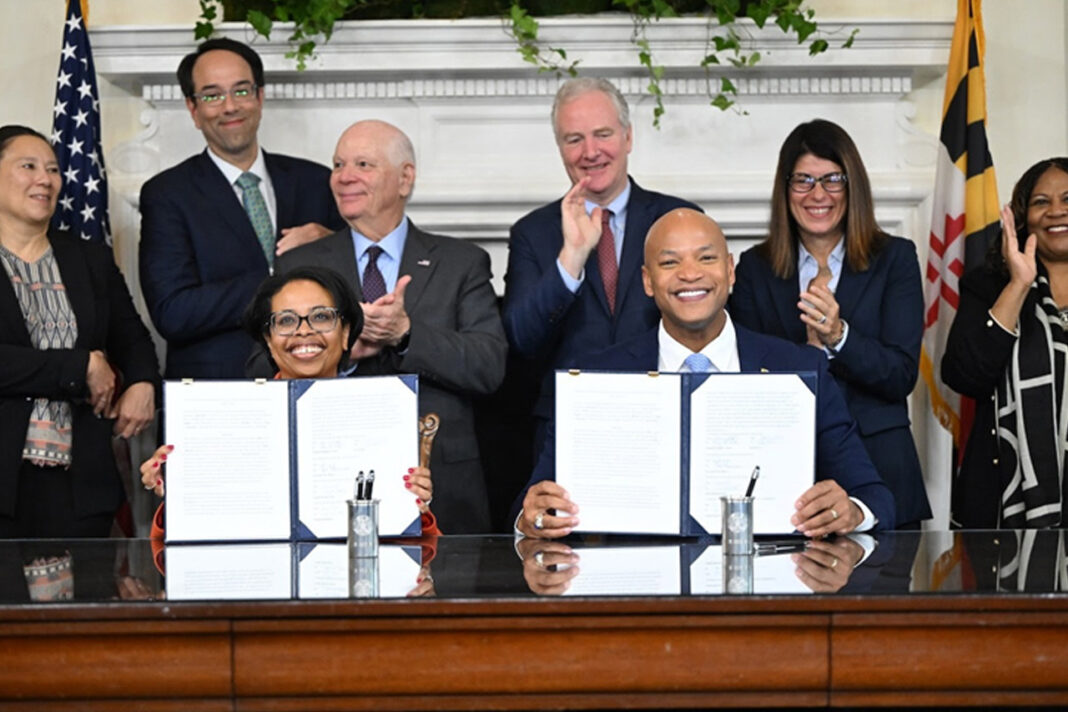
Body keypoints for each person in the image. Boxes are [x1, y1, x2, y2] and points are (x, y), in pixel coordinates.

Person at [516, 208, 896, 539]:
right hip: (636, 595)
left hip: (770, 591)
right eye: (670, 263)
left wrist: (852, 511)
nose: (690, 274)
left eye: (706, 258)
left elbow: (875, 497)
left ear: (730, 271)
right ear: (648, 281)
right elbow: (531, 506)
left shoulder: (799, 369)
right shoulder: (597, 378)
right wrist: (531, 516)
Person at [265, 120, 507, 534]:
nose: (344, 176)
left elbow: (489, 366)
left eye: (363, 163)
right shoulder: (299, 267)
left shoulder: (460, 262)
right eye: (338, 164)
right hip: (327, 481)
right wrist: (338, 354)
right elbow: (257, 367)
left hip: (441, 487)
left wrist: (406, 335)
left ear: (405, 178)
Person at [729, 119, 928, 528]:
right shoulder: (754, 268)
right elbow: (746, 378)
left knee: (888, 592)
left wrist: (839, 337)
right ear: (784, 190)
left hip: (881, 471)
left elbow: (901, 375)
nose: (817, 194)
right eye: (803, 180)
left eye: (832, 180)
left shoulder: (896, 258)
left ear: (852, 185)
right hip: (783, 470)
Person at [141, 266, 439, 535]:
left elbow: (415, 554)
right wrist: (179, 494)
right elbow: (182, 549)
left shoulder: (381, 420)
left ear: (347, 333)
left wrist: (415, 508)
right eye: (286, 320)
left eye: (322, 317)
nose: (303, 330)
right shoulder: (221, 423)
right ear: (269, 339)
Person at [503, 77, 701, 438]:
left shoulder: (680, 220)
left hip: (665, 416)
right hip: (568, 426)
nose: (590, 152)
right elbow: (521, 341)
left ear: (628, 137)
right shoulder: (533, 233)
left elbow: (706, 321)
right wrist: (572, 257)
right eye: (574, 139)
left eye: (603, 134)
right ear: (560, 149)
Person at [139, 38, 343, 380]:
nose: (230, 106)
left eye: (241, 91)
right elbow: (173, 312)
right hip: (216, 395)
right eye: (212, 95)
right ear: (193, 109)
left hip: (314, 388)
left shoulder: (317, 181)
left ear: (260, 97)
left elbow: (354, 287)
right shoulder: (167, 194)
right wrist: (281, 275)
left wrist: (333, 246)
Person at [0, 125, 160, 538]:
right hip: (6, 480)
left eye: (52, 169)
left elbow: (132, 338)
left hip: (82, 483)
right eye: (28, 166)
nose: (45, 179)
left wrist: (142, 383)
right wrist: (79, 365)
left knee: (85, 600)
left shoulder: (88, 257)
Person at [942, 157, 1068, 529]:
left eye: (1067, 199)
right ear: (1022, 216)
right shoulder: (989, 285)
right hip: (1004, 502)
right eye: (1041, 202)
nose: (1056, 211)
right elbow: (965, 375)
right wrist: (1018, 285)